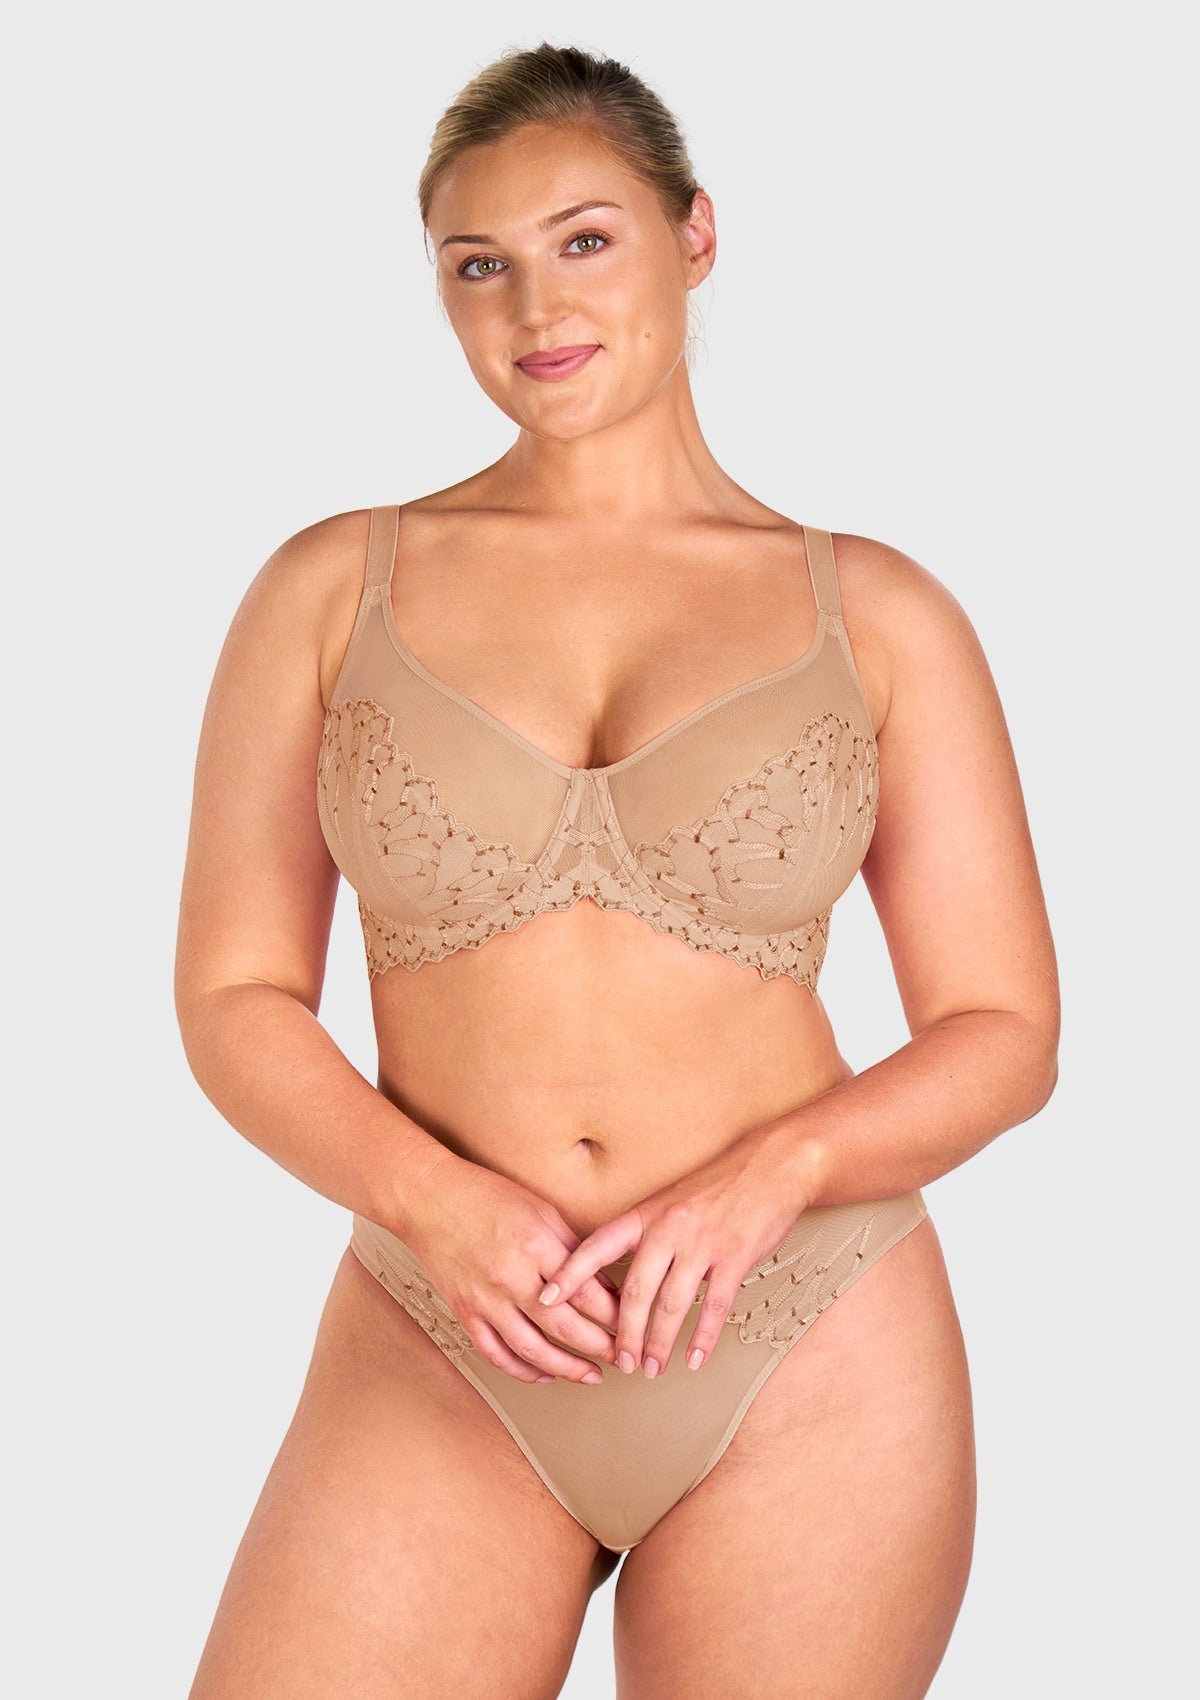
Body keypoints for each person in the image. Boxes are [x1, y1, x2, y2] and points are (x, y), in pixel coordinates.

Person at [175, 41, 1059, 1699]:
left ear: (694, 234)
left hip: (808, 1338)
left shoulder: (879, 614)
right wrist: (429, 1200)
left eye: (585, 239)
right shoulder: (330, 589)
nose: (536, 307)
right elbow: (233, 994)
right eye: (478, 265)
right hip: (444, 1331)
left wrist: (777, 1174)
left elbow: (1006, 1032)